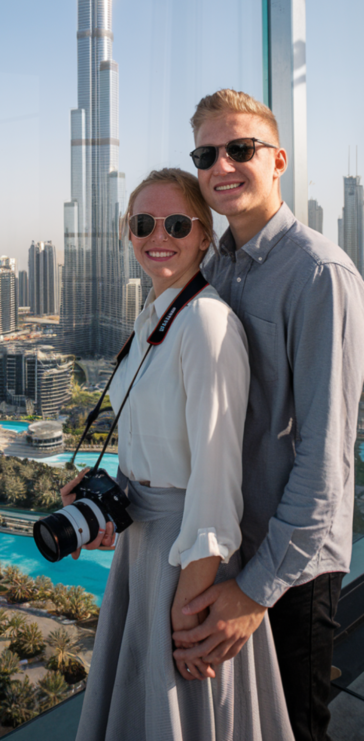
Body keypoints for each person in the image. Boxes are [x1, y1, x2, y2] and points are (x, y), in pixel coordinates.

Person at [67, 167, 294, 741]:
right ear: (128, 231)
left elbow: (216, 482)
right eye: (143, 223)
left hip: (187, 556)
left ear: (202, 236)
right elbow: (149, 440)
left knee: (184, 715)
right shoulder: (152, 316)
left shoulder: (206, 324)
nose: (156, 235)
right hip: (143, 544)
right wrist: (104, 499)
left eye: (175, 223)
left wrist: (191, 604)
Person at [173, 89, 364, 741]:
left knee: (292, 729)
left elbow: (326, 456)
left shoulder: (319, 274)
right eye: (206, 153)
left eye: (239, 149)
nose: (221, 164)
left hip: (289, 568)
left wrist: (254, 591)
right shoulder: (218, 265)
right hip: (232, 548)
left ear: (277, 159)